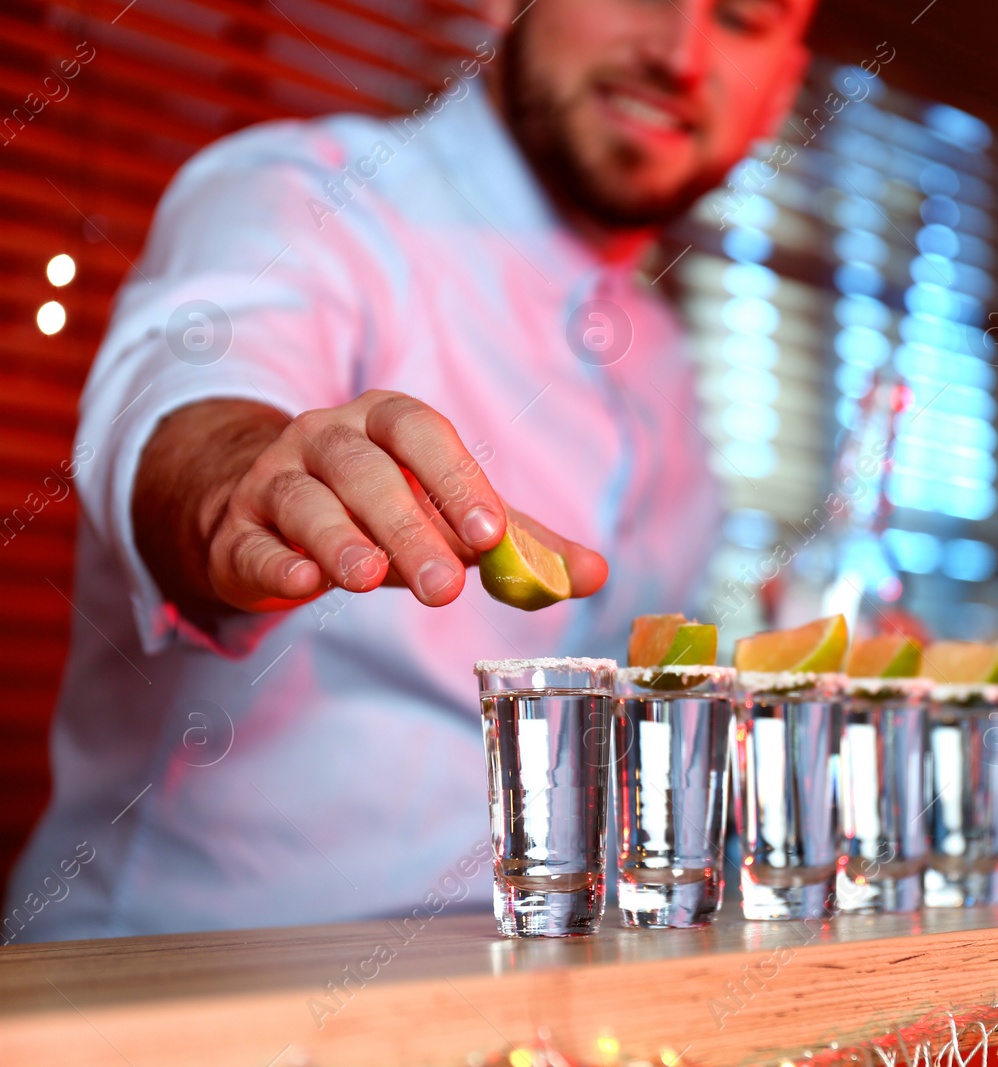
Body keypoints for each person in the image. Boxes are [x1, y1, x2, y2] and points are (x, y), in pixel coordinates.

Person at [3, 0, 815, 941]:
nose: (680, 54)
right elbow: (195, 415)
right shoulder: (298, 193)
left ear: (781, 92)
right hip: (184, 987)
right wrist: (245, 485)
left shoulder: (668, 363)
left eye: (744, 16)